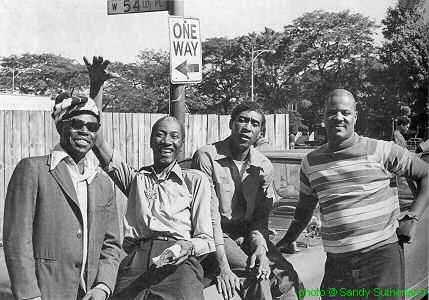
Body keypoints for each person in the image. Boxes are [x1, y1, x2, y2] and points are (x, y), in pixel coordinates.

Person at [276, 89, 428, 299]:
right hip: (337, 264)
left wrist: (412, 216)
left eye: (345, 113)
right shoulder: (310, 163)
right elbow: (304, 208)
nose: (339, 118)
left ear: (355, 117)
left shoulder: (382, 150)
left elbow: (426, 174)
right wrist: (288, 239)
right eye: (332, 112)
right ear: (323, 118)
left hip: (381, 259)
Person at [86, 56, 215, 300]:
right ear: (151, 141)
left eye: (174, 136)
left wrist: (188, 247)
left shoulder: (195, 180)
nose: (167, 141)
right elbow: (97, 140)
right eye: (161, 135)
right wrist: (96, 88)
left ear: (181, 144)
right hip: (136, 260)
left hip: (179, 263)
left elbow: (206, 238)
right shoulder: (136, 179)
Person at [3, 92, 124, 300]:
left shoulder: (102, 182)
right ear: (61, 126)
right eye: (77, 123)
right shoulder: (33, 169)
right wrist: (29, 295)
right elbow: (17, 240)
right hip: (45, 292)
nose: (85, 131)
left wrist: (103, 286)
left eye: (92, 126)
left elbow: (111, 244)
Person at [192, 102, 301, 300]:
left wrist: (260, 248)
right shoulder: (206, 156)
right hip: (215, 235)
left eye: (255, 123)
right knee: (257, 277)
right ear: (231, 123)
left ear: (260, 132)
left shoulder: (263, 165)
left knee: (289, 279)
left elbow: (260, 218)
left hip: (247, 234)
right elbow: (210, 217)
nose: (248, 127)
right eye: (242, 120)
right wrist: (223, 268)